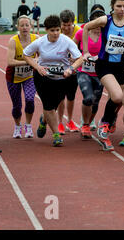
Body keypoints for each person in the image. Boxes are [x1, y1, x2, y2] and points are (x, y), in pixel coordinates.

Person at [82, 0, 124, 151]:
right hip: (104, 64)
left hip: (120, 65)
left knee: (119, 100)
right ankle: (105, 123)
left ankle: (105, 125)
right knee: (118, 96)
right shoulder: (105, 20)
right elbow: (86, 27)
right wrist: (86, 52)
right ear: (112, 6)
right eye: (119, 6)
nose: (122, 9)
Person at [23, 15, 83, 147]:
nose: (55, 33)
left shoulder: (66, 41)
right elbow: (25, 54)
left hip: (62, 79)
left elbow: (80, 58)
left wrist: (71, 69)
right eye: (52, 30)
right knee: (49, 107)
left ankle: (43, 120)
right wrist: (37, 67)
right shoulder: (40, 42)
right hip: (44, 78)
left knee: (53, 107)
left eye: (57, 30)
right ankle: (56, 135)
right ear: (47, 31)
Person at [73, 9, 106, 139]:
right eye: (95, 22)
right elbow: (72, 46)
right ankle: (85, 125)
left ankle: (89, 120)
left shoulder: (106, 34)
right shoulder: (82, 33)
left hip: (100, 72)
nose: (98, 27)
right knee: (88, 98)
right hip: (84, 71)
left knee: (96, 102)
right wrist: (74, 57)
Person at [5, 15, 37, 138]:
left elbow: (42, 57)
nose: (24, 28)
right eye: (22, 25)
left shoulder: (36, 39)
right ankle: (17, 126)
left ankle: (28, 125)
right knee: (17, 105)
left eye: (26, 25)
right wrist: (29, 61)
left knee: (30, 99)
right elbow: (10, 62)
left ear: (31, 26)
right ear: (17, 26)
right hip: (13, 77)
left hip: (29, 76)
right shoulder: (13, 41)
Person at [57, 10, 81, 134]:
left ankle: (70, 121)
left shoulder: (78, 31)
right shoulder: (57, 32)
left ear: (73, 23)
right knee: (60, 97)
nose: (66, 28)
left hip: (74, 70)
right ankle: (60, 122)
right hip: (59, 69)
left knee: (71, 97)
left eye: (69, 25)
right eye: (64, 25)